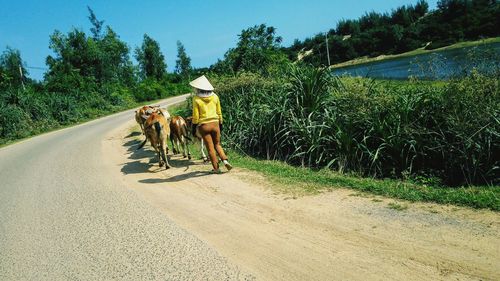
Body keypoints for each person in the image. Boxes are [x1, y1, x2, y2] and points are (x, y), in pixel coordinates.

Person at [190, 75, 233, 173]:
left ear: (199, 88)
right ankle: (225, 160)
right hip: (215, 123)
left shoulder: (196, 99)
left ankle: (216, 168)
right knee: (217, 144)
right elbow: (219, 112)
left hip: (204, 126)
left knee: (210, 148)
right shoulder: (215, 96)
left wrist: (194, 127)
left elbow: (195, 116)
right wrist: (220, 123)